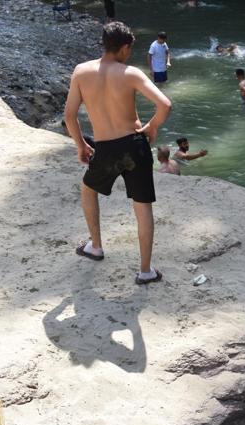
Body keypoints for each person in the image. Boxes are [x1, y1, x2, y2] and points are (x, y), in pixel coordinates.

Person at [64, 21, 171, 285]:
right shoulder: (130, 73)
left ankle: (95, 246)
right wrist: (152, 127)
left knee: (88, 190)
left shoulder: (81, 72)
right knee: (142, 206)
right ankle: (145, 271)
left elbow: (69, 116)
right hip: (135, 146)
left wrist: (81, 145)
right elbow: (165, 104)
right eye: (130, 49)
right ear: (124, 48)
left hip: (106, 148)